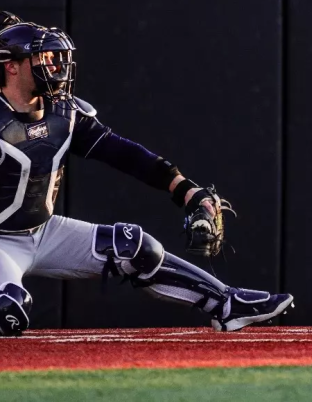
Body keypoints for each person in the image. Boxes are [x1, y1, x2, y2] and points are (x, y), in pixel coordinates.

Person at [0, 20, 293, 336]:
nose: (55, 67)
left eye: (56, 58)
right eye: (44, 58)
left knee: (136, 247)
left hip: (44, 231)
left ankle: (226, 303)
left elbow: (123, 153)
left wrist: (186, 190)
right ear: (12, 67)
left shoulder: (63, 112)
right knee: (10, 309)